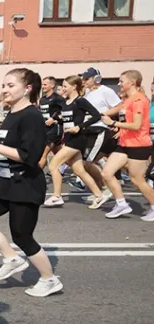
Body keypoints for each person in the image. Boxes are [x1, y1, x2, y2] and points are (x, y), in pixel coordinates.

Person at [0, 69, 63, 297]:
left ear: (27, 88)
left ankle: (49, 279)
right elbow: (8, 149)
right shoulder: (12, 114)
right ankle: (11, 258)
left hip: (25, 185)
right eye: (3, 85)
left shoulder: (31, 116)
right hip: (4, 183)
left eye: (10, 85)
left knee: (22, 235)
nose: (4, 90)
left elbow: (30, 156)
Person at [43, 76, 106, 208]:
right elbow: (66, 120)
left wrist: (80, 127)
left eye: (65, 86)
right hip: (68, 138)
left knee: (53, 166)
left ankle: (56, 196)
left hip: (78, 139)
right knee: (79, 170)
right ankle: (99, 195)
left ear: (74, 87)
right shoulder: (65, 103)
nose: (63, 89)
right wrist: (57, 120)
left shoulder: (80, 101)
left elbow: (96, 115)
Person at [99, 70, 154, 221]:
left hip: (139, 145)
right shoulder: (127, 100)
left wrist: (114, 123)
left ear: (132, 82)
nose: (119, 84)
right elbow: (117, 110)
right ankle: (121, 204)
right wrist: (99, 115)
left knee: (137, 180)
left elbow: (136, 126)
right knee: (106, 173)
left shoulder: (139, 100)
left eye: (121, 81)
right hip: (124, 144)